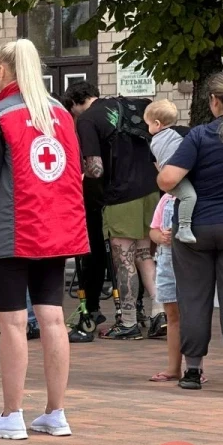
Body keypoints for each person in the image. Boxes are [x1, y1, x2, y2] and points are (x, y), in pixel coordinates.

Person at [0, 39, 88, 440]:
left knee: (13, 322)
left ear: (3, 70)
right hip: (56, 224)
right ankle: (56, 412)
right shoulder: (59, 112)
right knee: (53, 316)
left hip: (13, 227)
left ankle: (11, 414)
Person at [158, 72, 223, 395]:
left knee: (194, 298)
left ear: (213, 101)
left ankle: (192, 371)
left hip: (196, 228)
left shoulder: (199, 136)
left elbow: (167, 179)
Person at [62, 81, 161, 340]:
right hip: (151, 189)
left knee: (124, 260)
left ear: (75, 104)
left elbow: (96, 169)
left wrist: (77, 172)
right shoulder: (128, 105)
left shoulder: (87, 120)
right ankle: (159, 312)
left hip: (121, 195)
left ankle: (127, 322)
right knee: (144, 254)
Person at [148, 193, 191, 383]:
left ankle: (194, 367)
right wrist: (160, 236)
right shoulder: (165, 199)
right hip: (167, 262)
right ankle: (173, 367)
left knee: (192, 315)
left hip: (191, 262)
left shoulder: (196, 195)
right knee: (172, 315)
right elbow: (153, 230)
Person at [145, 100, 196, 243]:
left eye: (148, 124)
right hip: (184, 176)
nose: (147, 127)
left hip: (169, 180)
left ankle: (183, 227)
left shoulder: (152, 142)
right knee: (189, 197)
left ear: (157, 124)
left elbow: (160, 169)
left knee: (186, 197)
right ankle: (184, 227)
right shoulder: (185, 132)